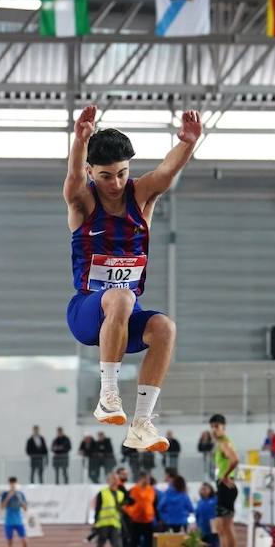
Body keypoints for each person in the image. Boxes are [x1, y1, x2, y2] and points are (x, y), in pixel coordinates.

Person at [65, 104, 202, 453]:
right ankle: (107, 395)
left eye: (123, 173)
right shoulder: (82, 200)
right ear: (91, 172)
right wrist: (80, 141)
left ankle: (141, 423)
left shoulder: (139, 197)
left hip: (123, 315)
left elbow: (166, 172)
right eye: (106, 175)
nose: (116, 183)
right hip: (86, 312)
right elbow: (72, 180)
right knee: (121, 295)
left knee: (165, 328)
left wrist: (187, 143)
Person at [207, 414, 240, 547]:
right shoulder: (221, 443)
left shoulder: (224, 443)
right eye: (212, 426)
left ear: (223, 427)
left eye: (217, 426)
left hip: (226, 485)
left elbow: (235, 459)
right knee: (222, 527)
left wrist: (225, 476)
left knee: (226, 527)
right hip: (224, 486)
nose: (214, 429)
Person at [91, 471, 127, 547]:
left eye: (116, 479)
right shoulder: (102, 493)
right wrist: (95, 524)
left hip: (115, 524)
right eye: (112, 479)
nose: (115, 481)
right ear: (108, 481)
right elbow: (97, 510)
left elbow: (125, 505)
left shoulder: (121, 494)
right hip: (103, 524)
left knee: (118, 546)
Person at [123, 471, 157, 547]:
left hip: (148, 521)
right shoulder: (134, 490)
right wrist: (131, 513)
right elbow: (126, 504)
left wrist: (154, 516)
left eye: (148, 479)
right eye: (145, 478)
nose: (147, 480)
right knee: (134, 544)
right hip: (136, 521)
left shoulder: (151, 490)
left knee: (148, 545)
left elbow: (153, 504)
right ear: (141, 479)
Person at [0, 478, 29, 547]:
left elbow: (25, 508)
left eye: (14, 483)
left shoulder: (21, 494)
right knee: (10, 544)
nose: (13, 485)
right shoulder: (5, 494)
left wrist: (20, 500)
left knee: (25, 542)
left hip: (19, 521)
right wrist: (8, 496)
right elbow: (2, 507)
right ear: (9, 484)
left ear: (16, 484)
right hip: (9, 522)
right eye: (11, 483)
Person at [194, 481, 220, 547]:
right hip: (202, 528)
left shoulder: (215, 500)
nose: (204, 491)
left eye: (206, 489)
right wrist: (196, 525)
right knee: (203, 546)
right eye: (202, 489)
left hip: (213, 527)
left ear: (210, 490)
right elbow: (197, 515)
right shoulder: (200, 502)